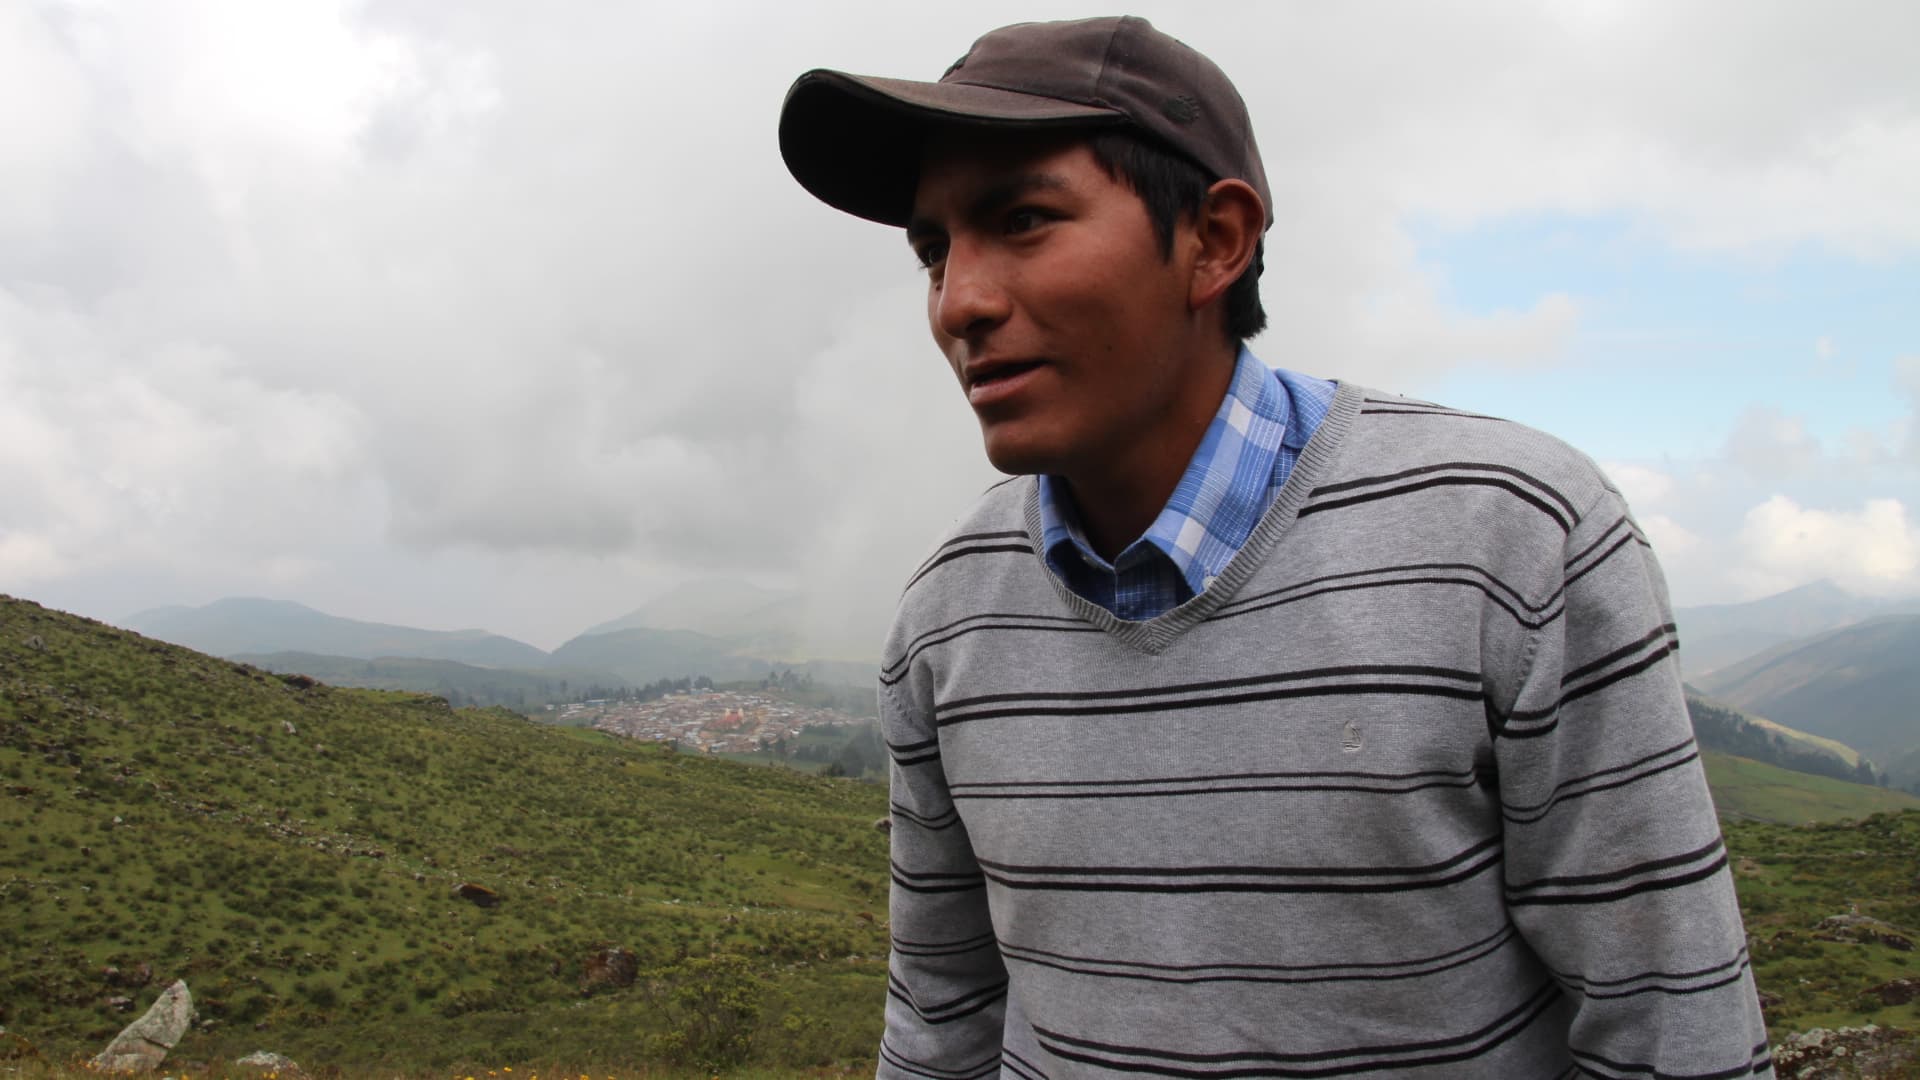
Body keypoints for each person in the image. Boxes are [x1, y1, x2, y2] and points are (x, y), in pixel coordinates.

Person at [779, 16, 1771, 1079]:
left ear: (1216, 239)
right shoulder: (947, 615)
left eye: (1022, 218)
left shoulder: (1512, 541)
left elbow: (1678, 1037)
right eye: (934, 251)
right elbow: (940, 1022)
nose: (960, 302)